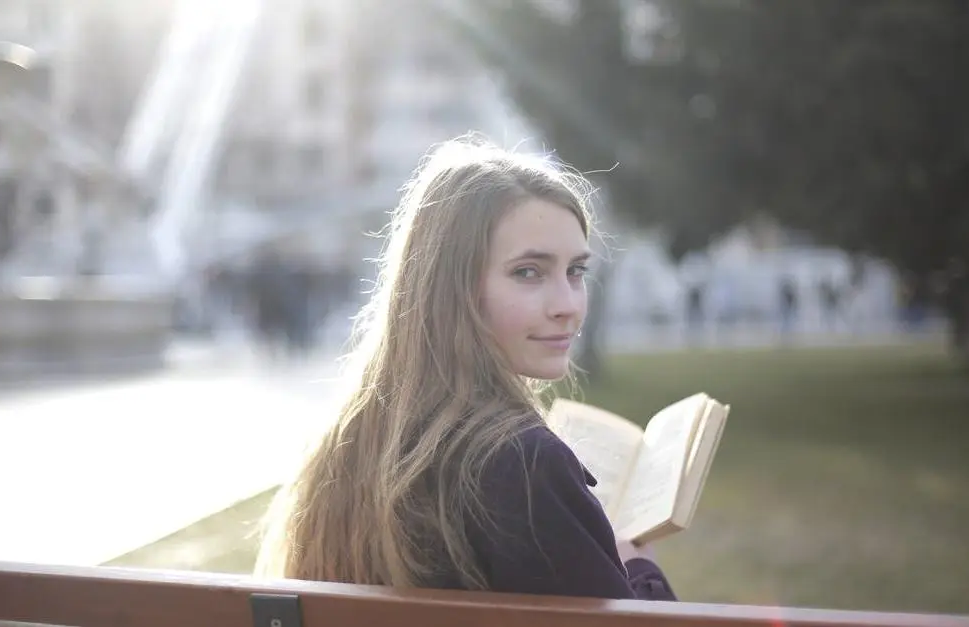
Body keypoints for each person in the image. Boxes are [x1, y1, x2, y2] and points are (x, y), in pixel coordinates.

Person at [253, 137, 677, 601]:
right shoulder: (524, 466)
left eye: (575, 271)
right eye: (529, 272)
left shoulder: (349, 440)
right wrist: (638, 567)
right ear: (452, 289)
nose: (568, 305)